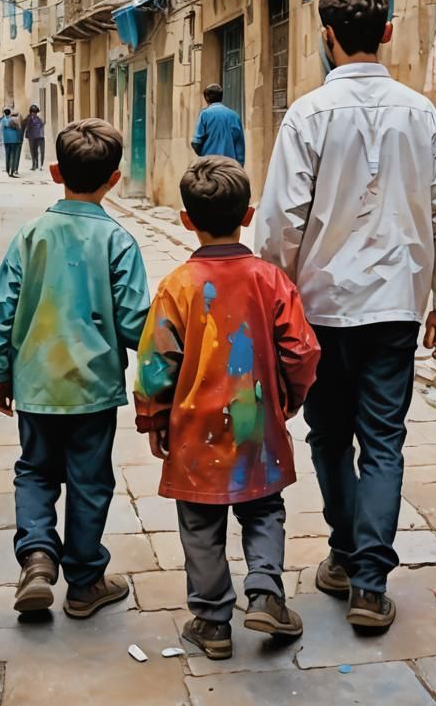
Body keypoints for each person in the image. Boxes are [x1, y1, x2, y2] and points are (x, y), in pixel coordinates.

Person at [255, 0, 436, 632]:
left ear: (326, 36)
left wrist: (272, 301)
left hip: (320, 307)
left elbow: (280, 224)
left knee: (327, 432)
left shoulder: (309, 115)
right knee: (383, 439)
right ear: (387, 32)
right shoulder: (418, 112)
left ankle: (346, 554)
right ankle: (370, 584)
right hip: (396, 307)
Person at [134, 156, 320, 660]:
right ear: (249, 213)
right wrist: (290, 398)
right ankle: (265, 593)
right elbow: (301, 350)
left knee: (199, 522)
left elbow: (155, 364)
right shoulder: (271, 280)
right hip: (257, 424)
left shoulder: (177, 285)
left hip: (193, 431)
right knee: (263, 509)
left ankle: (213, 621)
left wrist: (153, 417)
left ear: (186, 219)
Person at [0, 119, 150, 618]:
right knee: (89, 481)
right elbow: (137, 322)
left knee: (35, 471)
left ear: (55, 171)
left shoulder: (30, 236)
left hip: (34, 382)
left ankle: (36, 556)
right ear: (114, 179)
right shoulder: (118, 242)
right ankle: (84, 582)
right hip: (93, 389)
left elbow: (2, 309)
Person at [191, 84, 245, 164]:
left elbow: (196, 142)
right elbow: (240, 148)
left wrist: (204, 155)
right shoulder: (235, 116)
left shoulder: (205, 114)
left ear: (206, 98)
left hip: (209, 165)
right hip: (229, 166)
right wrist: (238, 167)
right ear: (221, 97)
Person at [0, 107, 24, 176]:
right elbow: (19, 129)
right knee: (13, 156)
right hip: (14, 140)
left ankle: (7, 169)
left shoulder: (2, 120)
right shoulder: (14, 120)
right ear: (10, 113)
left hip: (6, 140)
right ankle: (11, 172)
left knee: (7, 155)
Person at [24, 104, 46, 171]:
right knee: (33, 151)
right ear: (31, 112)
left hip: (39, 137)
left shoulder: (39, 119)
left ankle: (40, 165)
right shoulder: (29, 119)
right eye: (33, 112)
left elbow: (42, 126)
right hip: (32, 137)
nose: (34, 113)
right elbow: (26, 125)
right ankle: (34, 164)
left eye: (35, 112)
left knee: (39, 151)